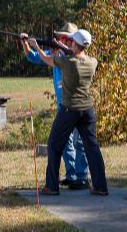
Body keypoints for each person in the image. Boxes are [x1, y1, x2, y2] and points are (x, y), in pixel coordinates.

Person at [28, 29, 108, 196]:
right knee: (92, 147)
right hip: (87, 110)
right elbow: (76, 54)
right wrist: (61, 47)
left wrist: (36, 46)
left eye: (71, 41)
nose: (69, 43)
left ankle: (51, 186)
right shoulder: (92, 62)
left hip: (69, 109)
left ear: (74, 44)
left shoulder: (68, 62)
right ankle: (100, 186)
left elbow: (48, 60)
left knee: (54, 145)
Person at [20, 23, 89, 191]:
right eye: (61, 37)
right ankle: (72, 176)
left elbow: (68, 60)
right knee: (65, 143)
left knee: (79, 143)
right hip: (63, 106)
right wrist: (26, 44)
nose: (62, 40)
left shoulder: (75, 56)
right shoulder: (56, 54)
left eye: (66, 38)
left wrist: (60, 50)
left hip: (76, 104)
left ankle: (82, 177)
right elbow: (34, 57)